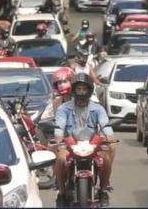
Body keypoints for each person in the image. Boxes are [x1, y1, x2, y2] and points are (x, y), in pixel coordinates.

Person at [53, 73, 116, 206]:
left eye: (84, 89)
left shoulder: (98, 108)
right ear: (74, 90)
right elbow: (59, 125)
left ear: (89, 90)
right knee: (60, 159)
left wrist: (110, 137)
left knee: (106, 157)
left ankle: (103, 190)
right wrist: (58, 138)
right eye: (78, 89)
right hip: (70, 145)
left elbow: (105, 124)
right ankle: (62, 193)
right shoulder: (64, 108)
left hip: (92, 144)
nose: (81, 92)